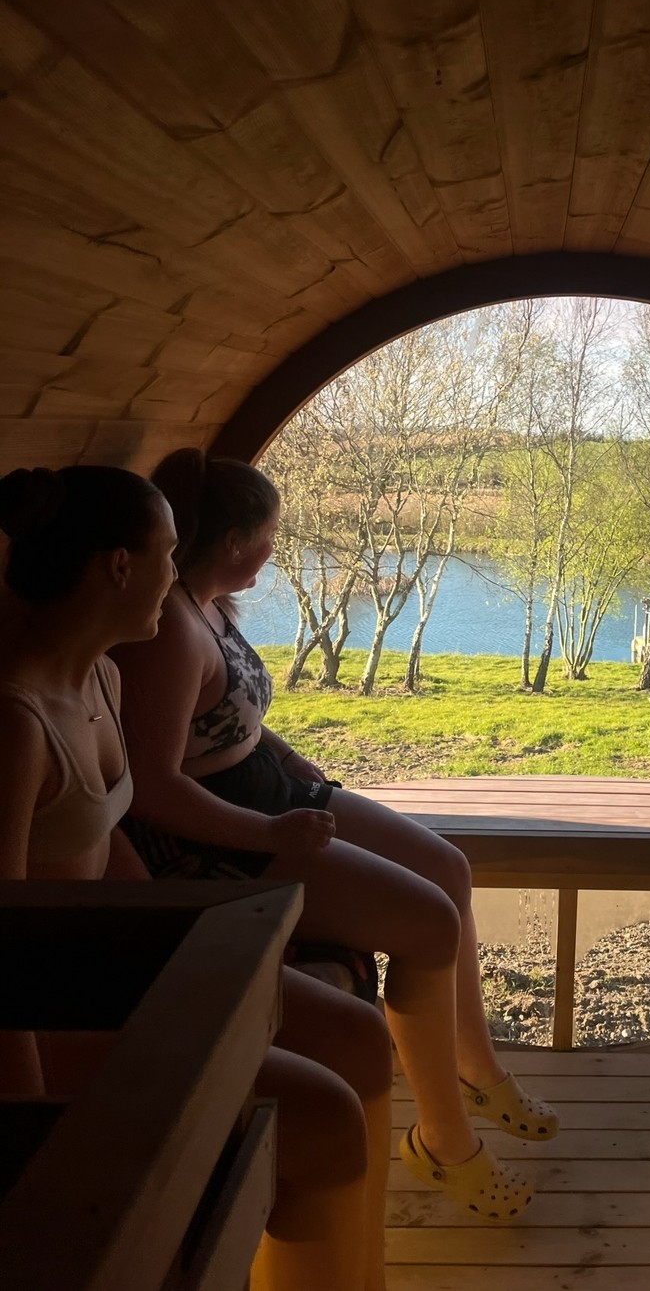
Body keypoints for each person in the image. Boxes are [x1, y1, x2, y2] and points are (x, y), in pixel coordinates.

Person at [113, 448, 555, 1221]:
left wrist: (298, 769)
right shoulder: (170, 636)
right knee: (428, 922)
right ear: (234, 543)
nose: (276, 551)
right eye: (270, 536)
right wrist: (272, 830)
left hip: (272, 791)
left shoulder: (205, 602)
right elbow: (153, 788)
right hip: (229, 836)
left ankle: (476, 1067)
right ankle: (444, 1144)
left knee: (447, 866)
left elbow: (233, 725)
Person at [0, 464, 392, 1290]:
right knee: (325, 1119)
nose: (178, 576)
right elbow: (0, 950)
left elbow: (106, 848)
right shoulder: (18, 725)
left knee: (360, 1037)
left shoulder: (102, 677)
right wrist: (30, 1130)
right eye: (168, 554)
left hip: (113, 969)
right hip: (50, 1021)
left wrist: (185, 953)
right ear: (116, 566)